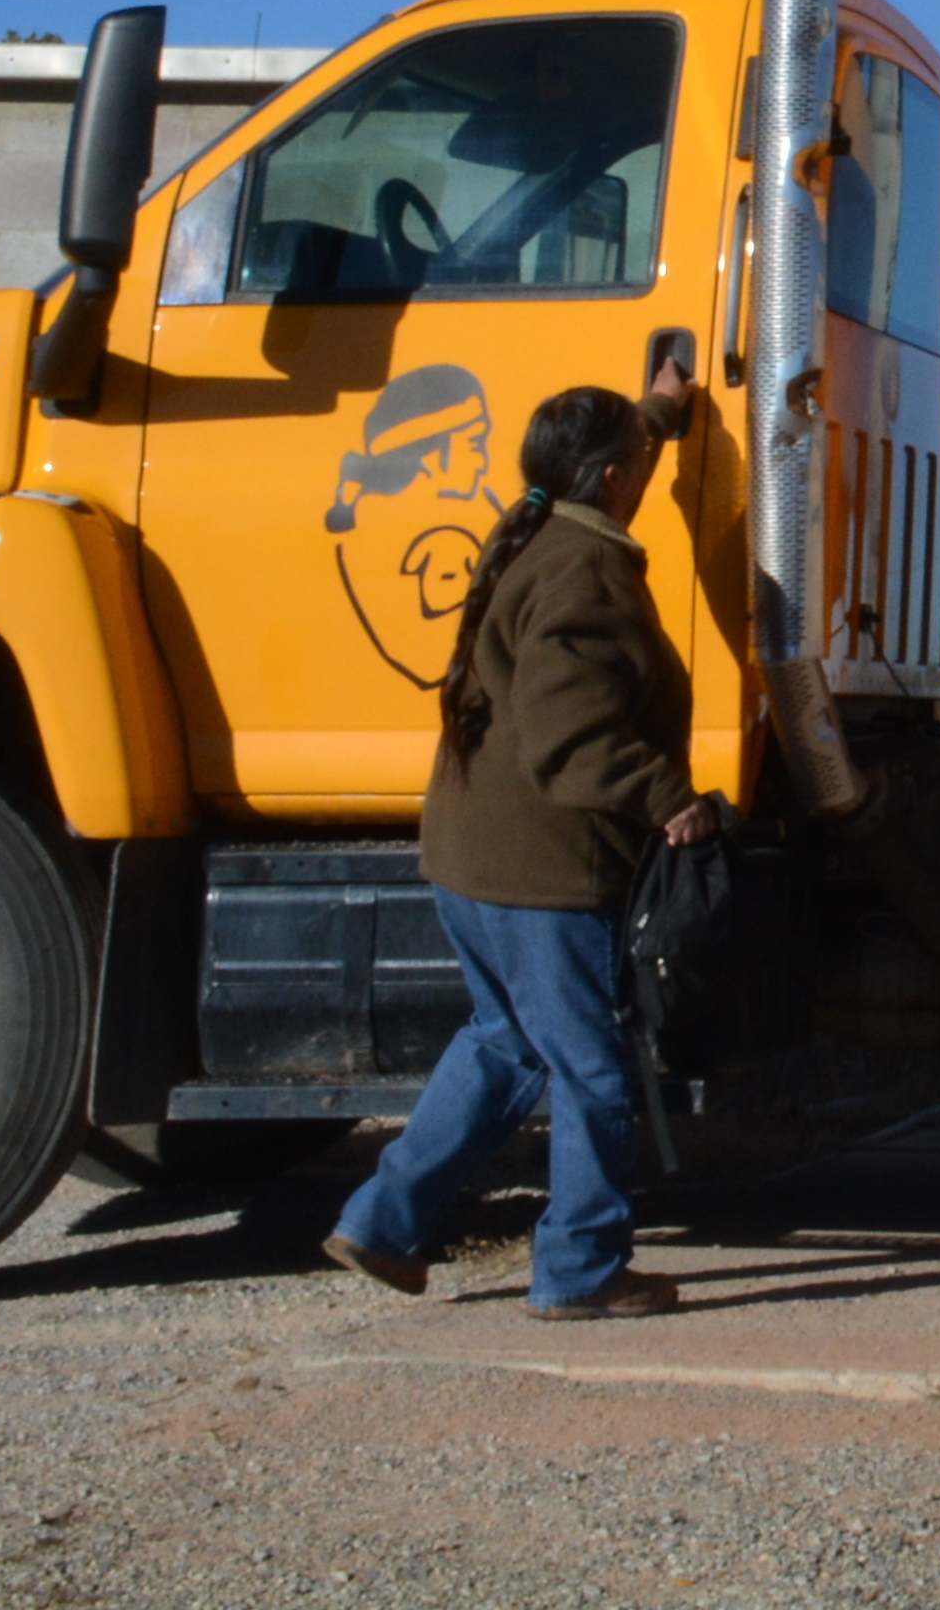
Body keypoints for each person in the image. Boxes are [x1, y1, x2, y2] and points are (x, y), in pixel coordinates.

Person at [323, 372, 718, 1319]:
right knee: (590, 1069)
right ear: (619, 478)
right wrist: (671, 797)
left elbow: (616, 448)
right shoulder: (584, 571)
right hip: (544, 869)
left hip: (472, 854)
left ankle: (380, 1223)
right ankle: (579, 1273)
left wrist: (661, 406)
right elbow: (568, 734)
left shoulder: (537, 524)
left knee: (503, 1041)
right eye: (638, 458)